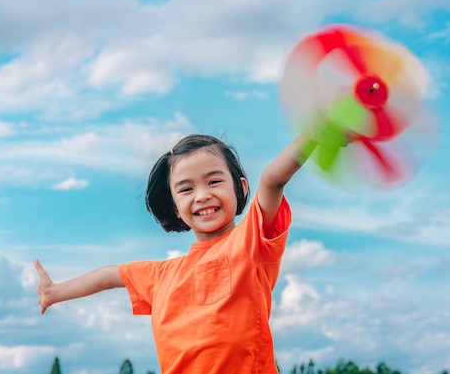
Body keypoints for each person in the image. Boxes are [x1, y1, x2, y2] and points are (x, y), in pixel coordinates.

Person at [35, 130, 319, 374]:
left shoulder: (250, 242)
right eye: (186, 189)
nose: (202, 195)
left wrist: (317, 133)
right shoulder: (161, 275)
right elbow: (110, 275)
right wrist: (54, 292)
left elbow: (272, 180)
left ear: (240, 188)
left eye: (214, 181)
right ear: (174, 207)